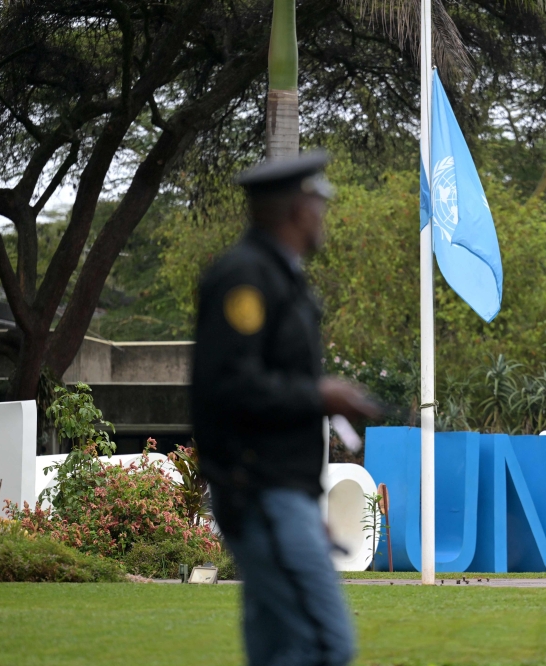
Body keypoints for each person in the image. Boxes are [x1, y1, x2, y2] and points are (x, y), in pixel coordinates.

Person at [191, 150, 380, 666]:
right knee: (324, 645)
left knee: (279, 649)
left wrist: (302, 503)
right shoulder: (245, 278)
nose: (324, 216)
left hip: (280, 495)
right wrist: (321, 394)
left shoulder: (283, 278)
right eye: (320, 203)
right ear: (298, 210)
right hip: (258, 492)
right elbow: (230, 385)